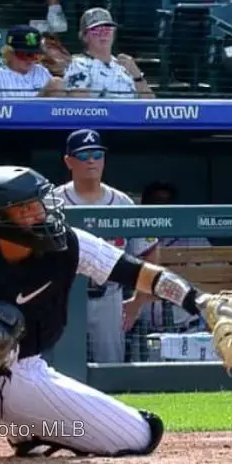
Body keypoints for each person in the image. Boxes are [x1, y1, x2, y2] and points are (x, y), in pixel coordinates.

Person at [0, 165, 232, 461]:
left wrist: (199, 301)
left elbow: (137, 272)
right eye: (26, 209)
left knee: (139, 436)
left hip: (22, 370)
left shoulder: (67, 243)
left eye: (39, 204)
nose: (40, 213)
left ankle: (27, 429)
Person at [53, 129, 160, 363]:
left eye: (96, 154)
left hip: (108, 296)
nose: (91, 161)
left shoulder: (122, 202)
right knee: (64, 368)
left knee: (110, 365)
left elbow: (149, 250)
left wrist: (138, 301)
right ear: (68, 161)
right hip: (66, 295)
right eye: (83, 156)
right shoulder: (53, 202)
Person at [63, 9, 156, 98]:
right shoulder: (78, 64)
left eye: (107, 29)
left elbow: (151, 107)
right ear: (84, 37)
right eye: (96, 30)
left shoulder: (124, 66)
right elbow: (80, 107)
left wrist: (137, 76)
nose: (103, 34)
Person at [0, 25, 66, 98]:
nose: (30, 59)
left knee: (57, 83)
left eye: (34, 55)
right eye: (24, 54)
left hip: (43, 115)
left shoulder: (41, 71)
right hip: (14, 115)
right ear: (9, 52)